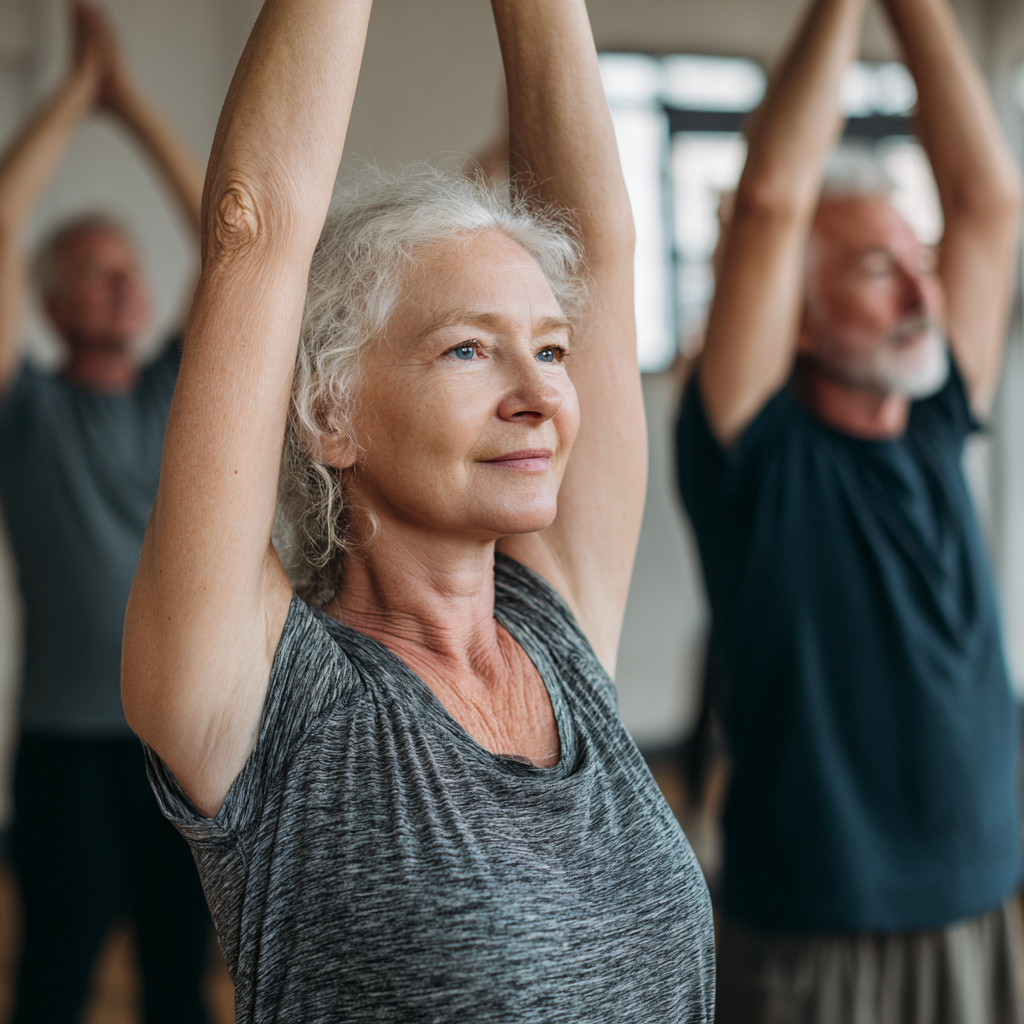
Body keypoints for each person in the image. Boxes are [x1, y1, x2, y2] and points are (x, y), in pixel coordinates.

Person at [120, 0, 717, 1020]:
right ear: (329, 412)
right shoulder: (271, 705)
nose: (537, 393)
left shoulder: (557, 633)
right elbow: (252, 229)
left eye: (551, 348)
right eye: (468, 349)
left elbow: (600, 248)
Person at [676, 0, 1024, 1017]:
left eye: (919, 259)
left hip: (976, 902)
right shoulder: (752, 452)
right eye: (878, 269)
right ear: (799, 311)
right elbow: (772, 197)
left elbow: (988, 199)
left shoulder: (933, 417)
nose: (923, 293)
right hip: (814, 932)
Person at [0, 5, 211, 1022]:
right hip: (65, 751)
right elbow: (1, 220)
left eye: (132, 264)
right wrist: (75, 98)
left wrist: (133, 110)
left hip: (181, 741)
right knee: (54, 981)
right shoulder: (24, 409)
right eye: (97, 267)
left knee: (182, 979)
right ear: (49, 302)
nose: (129, 280)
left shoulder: (178, 389)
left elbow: (229, 240)